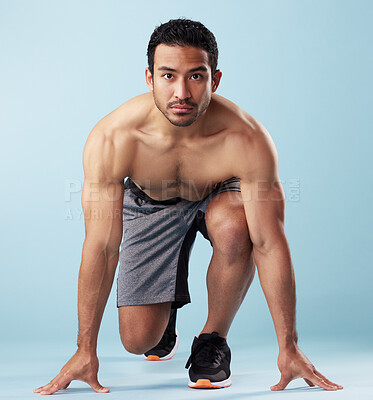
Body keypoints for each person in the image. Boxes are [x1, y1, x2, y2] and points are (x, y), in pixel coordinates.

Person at [34, 18, 343, 395]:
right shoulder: (113, 138)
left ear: (214, 80)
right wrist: (85, 349)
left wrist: (289, 346)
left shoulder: (246, 138)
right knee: (138, 341)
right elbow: (101, 246)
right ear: (149, 78)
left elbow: (268, 243)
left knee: (236, 224)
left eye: (196, 77)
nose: (181, 92)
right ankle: (165, 315)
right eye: (168, 76)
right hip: (152, 204)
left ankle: (212, 339)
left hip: (219, 194)